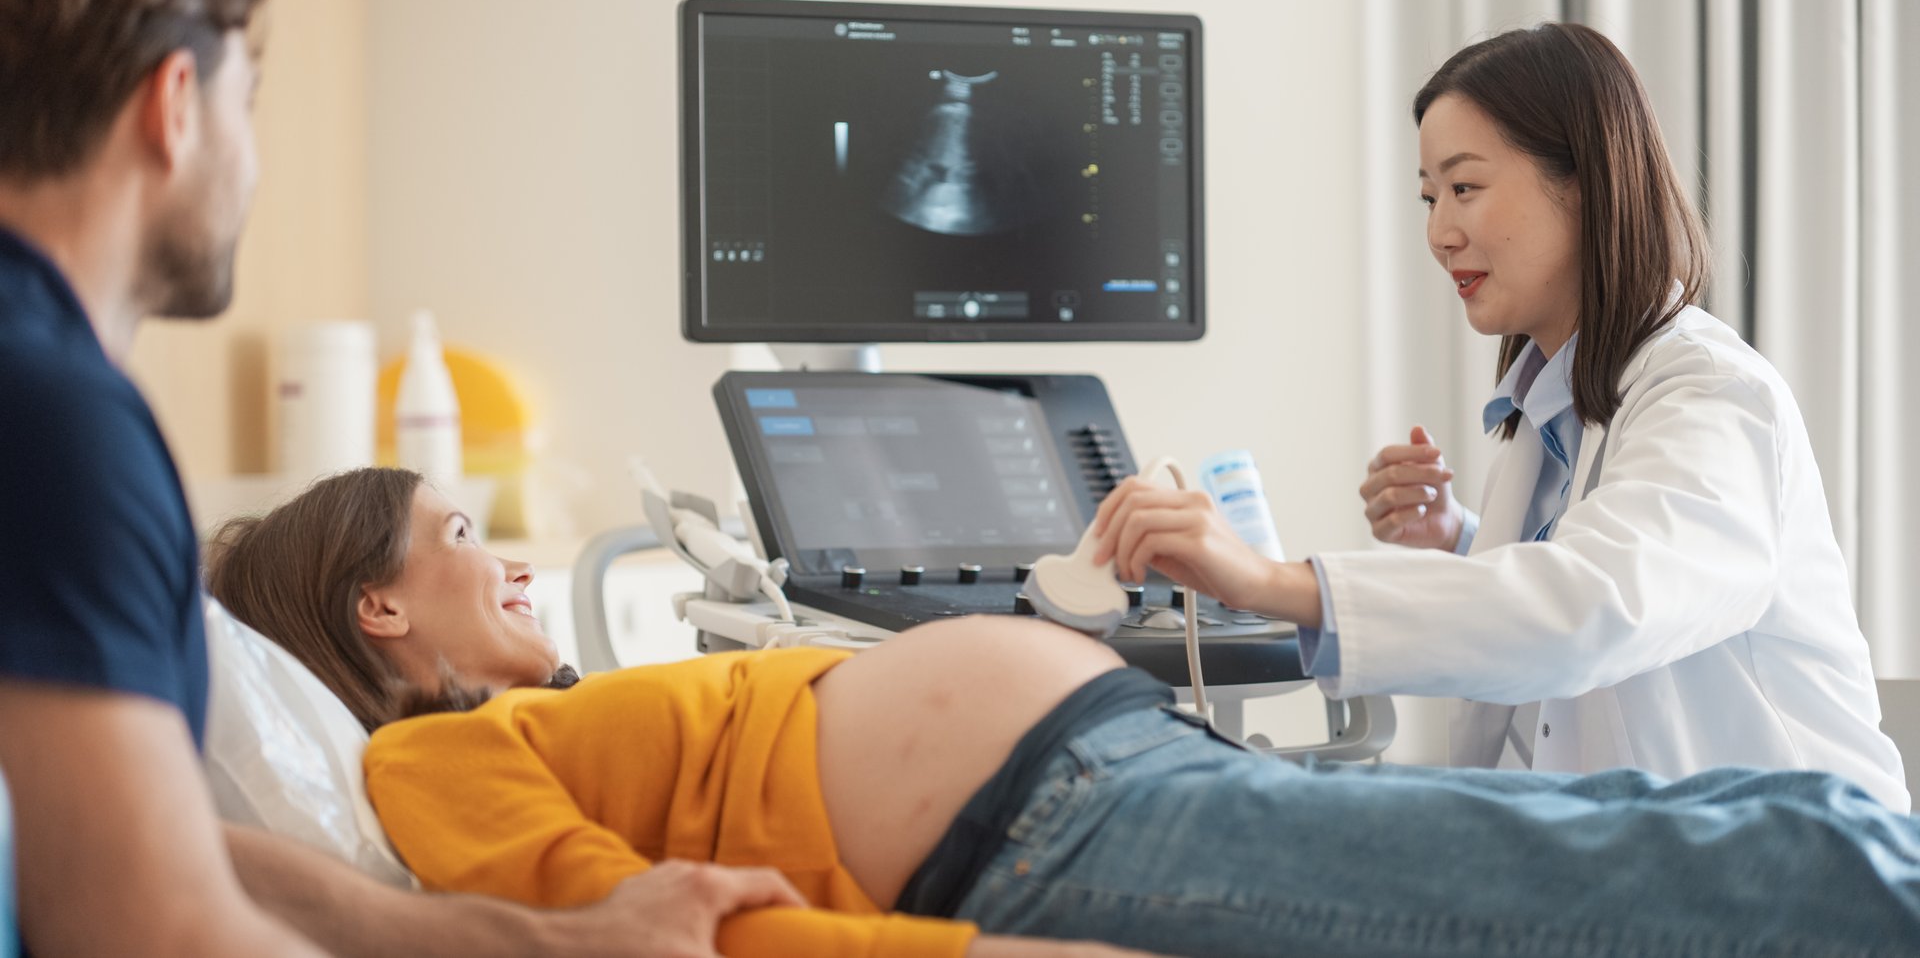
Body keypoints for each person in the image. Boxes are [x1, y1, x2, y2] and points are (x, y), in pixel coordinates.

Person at [206, 465, 1920, 957]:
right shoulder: (425, 756)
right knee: (1562, 882)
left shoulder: (580, 702)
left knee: (1595, 835)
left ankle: (1872, 852)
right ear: (373, 609)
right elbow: (666, 929)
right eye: (457, 538)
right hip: (1033, 825)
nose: (505, 553)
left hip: (1096, 766)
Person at [0, 0, 807, 955]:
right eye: (248, 105)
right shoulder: (58, 422)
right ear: (175, 105)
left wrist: (547, 941)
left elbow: (150, 846)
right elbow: (143, 919)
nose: (252, 164)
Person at [1093, 22, 1907, 808]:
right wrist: (1460, 537)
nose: (1440, 232)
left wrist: (1272, 582)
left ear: (1586, 182)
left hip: (1787, 881)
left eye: (1466, 187)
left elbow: (1597, 605)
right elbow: (1583, 567)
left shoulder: (1713, 394)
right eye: (1428, 197)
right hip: (1626, 859)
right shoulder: (1548, 404)